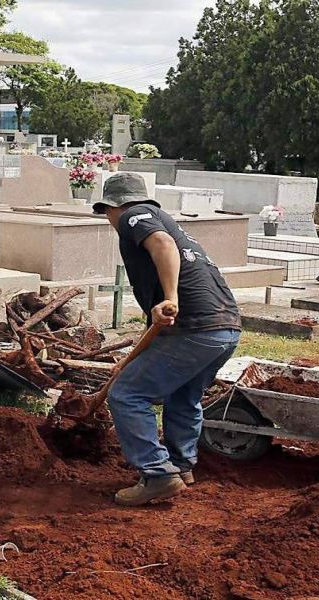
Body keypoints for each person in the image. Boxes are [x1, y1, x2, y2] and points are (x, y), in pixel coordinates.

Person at [92, 173, 241, 506]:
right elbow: (158, 329)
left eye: (106, 212)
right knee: (183, 395)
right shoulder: (168, 222)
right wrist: (127, 361)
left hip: (194, 329)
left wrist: (171, 297)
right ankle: (181, 467)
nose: (109, 220)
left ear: (112, 207)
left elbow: (162, 244)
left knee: (127, 394)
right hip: (224, 329)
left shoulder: (135, 216)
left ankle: (158, 474)